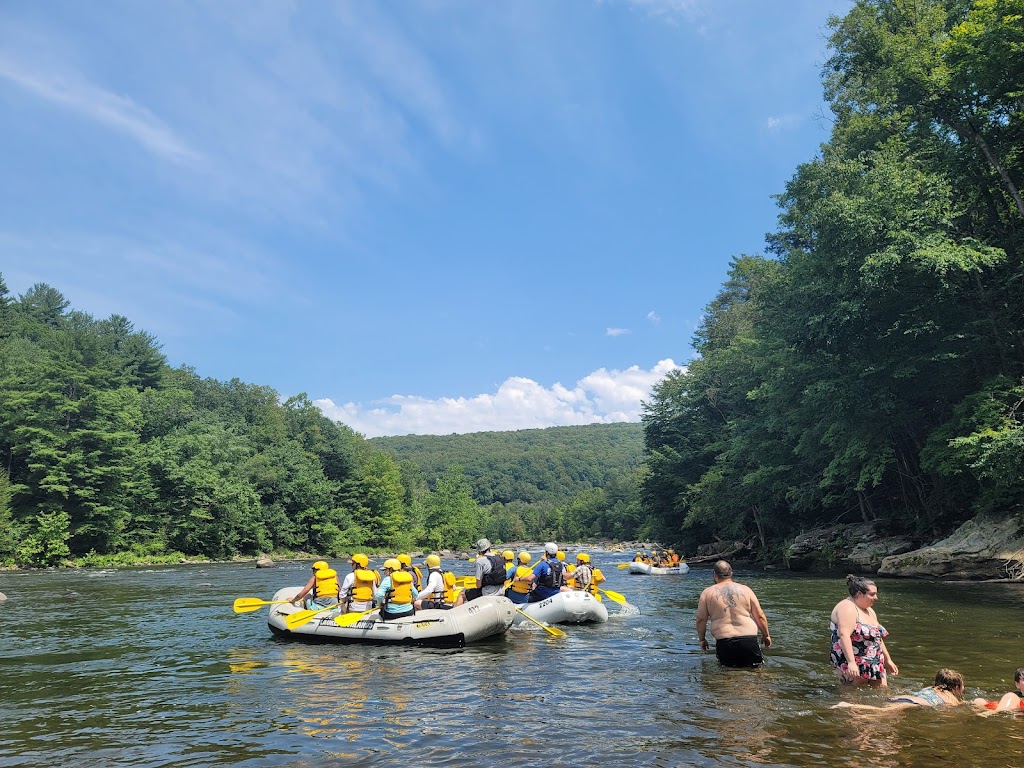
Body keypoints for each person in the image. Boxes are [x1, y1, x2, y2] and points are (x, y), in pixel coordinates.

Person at [696, 560, 771, 668]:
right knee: (756, 674)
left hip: (724, 642)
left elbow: (701, 619)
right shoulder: (746, 590)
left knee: (728, 676)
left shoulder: (707, 593)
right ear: (731, 573)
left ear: (715, 574)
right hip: (748, 640)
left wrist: (702, 639)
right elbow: (759, 615)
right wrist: (766, 635)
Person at [830, 574, 899, 686]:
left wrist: (888, 660)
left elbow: (877, 638)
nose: (876, 597)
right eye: (872, 594)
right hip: (853, 660)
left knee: (883, 693)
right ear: (859, 594)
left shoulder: (869, 610)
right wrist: (851, 663)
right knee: (850, 696)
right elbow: (844, 635)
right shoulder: (847, 607)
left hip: (874, 661)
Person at [833, 668, 968, 711]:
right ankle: (849, 705)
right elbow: (955, 708)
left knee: (883, 708)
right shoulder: (951, 698)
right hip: (910, 703)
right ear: (955, 687)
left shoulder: (932, 688)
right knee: (881, 711)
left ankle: (854, 706)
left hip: (904, 697)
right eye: (962, 686)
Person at [462, 538, 507, 603]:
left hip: (487, 593)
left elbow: (478, 585)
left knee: (462, 594)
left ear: (479, 550)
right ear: (489, 547)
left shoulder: (480, 561)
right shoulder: (500, 558)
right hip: (501, 591)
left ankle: (452, 613)